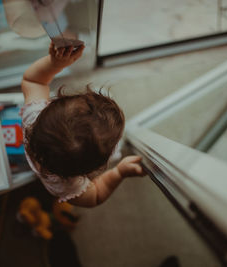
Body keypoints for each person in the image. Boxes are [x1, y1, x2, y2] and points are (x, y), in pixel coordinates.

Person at [20, 42, 145, 207]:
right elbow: (96, 196)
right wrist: (118, 172)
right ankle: (117, 149)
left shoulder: (33, 117)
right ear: (94, 169)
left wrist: (54, 64)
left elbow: (33, 81)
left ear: (50, 108)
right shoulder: (69, 186)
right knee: (117, 152)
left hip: (45, 162)